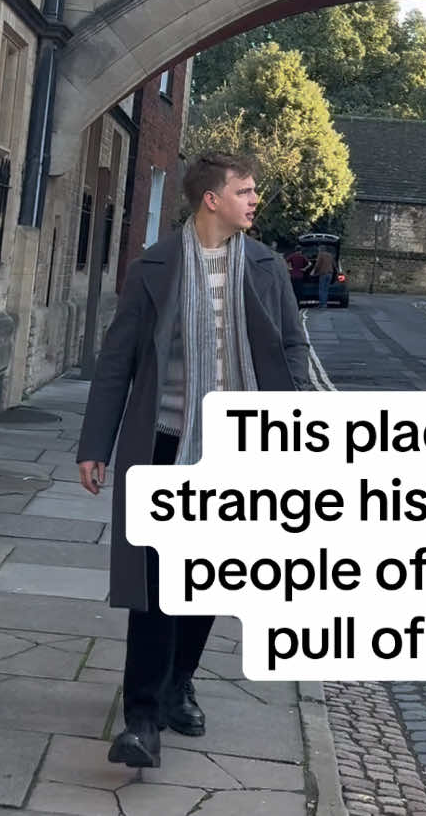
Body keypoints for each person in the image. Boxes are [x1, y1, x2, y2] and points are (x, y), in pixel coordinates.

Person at [76, 152, 311, 770]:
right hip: (162, 443)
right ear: (212, 199)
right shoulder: (154, 267)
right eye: (245, 190)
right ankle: (143, 718)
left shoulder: (265, 268)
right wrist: (95, 446)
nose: (255, 200)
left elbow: (291, 350)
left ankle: (180, 680)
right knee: (152, 585)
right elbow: (117, 362)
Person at [312, 243, 336, 309]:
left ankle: (321, 304)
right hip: (330, 274)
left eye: (318, 250)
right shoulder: (330, 255)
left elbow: (317, 264)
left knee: (321, 289)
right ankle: (325, 304)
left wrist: (314, 272)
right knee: (326, 289)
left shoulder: (321, 254)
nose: (318, 251)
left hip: (323, 274)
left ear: (321, 249)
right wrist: (337, 271)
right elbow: (334, 264)